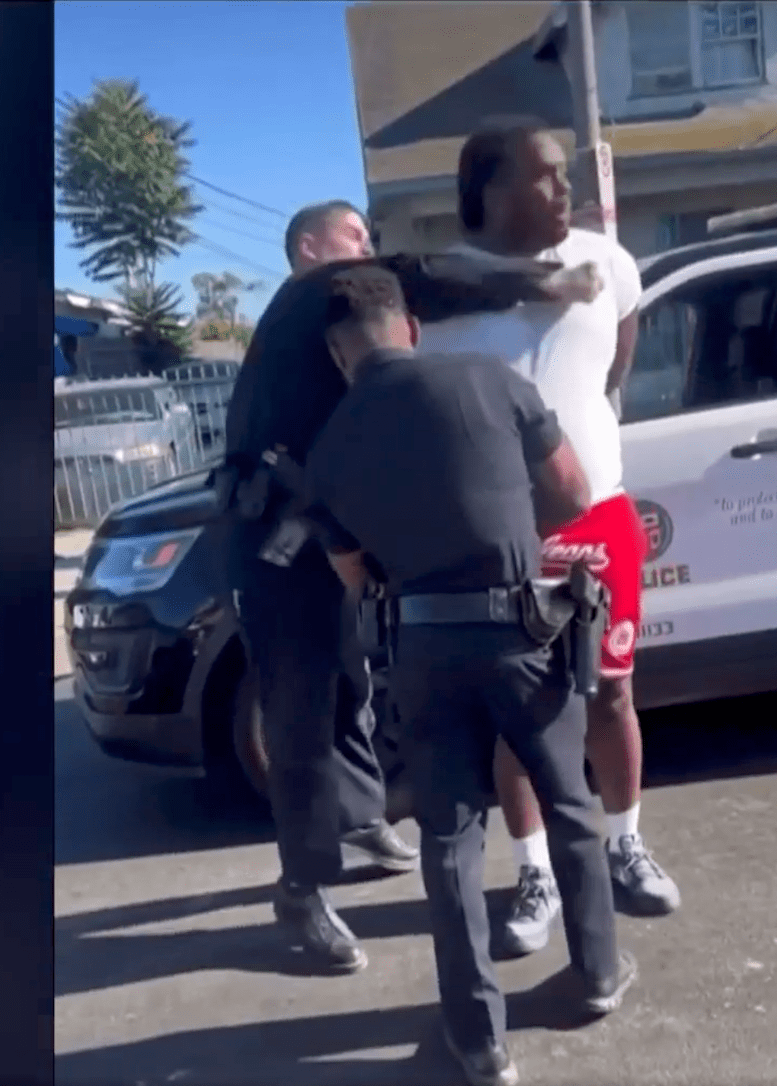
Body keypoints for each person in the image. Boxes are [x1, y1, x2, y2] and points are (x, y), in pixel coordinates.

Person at [223, 200, 610, 975]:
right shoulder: (310, 294)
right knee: (298, 713)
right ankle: (302, 891)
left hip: (328, 521)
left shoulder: (317, 334)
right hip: (278, 539)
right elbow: (414, 278)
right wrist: (544, 281)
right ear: (311, 249)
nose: (368, 246)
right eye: (354, 237)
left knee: (349, 680)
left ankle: (359, 816)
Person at [305, 265, 637, 1086]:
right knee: (566, 799)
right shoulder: (491, 380)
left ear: (337, 355)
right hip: (523, 632)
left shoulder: (328, 447)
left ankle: (479, 1041)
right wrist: (507, 535)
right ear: (409, 327)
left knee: (448, 837)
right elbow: (572, 491)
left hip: (419, 650)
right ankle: (596, 974)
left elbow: (356, 580)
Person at [416, 119, 682, 959]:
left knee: (609, 694)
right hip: (503, 537)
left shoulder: (610, 264)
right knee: (521, 720)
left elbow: (613, 373)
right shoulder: (439, 289)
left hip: (600, 516)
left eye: (566, 173)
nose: (564, 190)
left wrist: (585, 448)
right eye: (543, 176)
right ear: (488, 191)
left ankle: (625, 844)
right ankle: (534, 874)